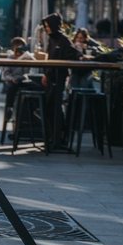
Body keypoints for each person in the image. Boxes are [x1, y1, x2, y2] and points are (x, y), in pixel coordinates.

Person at [41, 13, 81, 148]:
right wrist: (46, 73)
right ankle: (54, 136)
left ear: (53, 26)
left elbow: (74, 55)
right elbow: (50, 59)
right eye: (45, 26)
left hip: (59, 77)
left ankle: (58, 137)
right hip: (51, 76)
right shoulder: (52, 40)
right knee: (49, 106)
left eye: (47, 26)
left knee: (53, 106)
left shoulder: (63, 40)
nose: (46, 29)